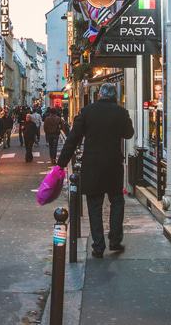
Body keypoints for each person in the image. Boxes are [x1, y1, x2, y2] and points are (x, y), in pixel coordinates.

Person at [56, 83, 134, 258]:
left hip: (92, 165)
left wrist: (61, 163)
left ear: (99, 95)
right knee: (117, 202)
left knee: (94, 205)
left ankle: (98, 246)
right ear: (114, 96)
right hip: (113, 165)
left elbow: (73, 138)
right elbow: (129, 133)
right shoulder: (121, 112)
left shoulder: (87, 111)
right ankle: (115, 240)